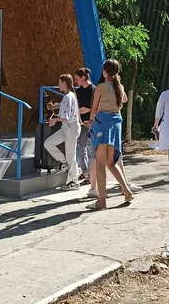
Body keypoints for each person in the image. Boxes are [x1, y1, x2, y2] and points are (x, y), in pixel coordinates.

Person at [87, 59, 134, 210]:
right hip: (116, 125)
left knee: (100, 163)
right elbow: (124, 99)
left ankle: (102, 201)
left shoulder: (101, 87)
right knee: (110, 162)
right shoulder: (119, 86)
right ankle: (127, 191)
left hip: (102, 124)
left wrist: (90, 122)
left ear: (105, 72)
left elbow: (94, 109)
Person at [45, 74, 81, 190]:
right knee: (48, 143)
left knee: (71, 155)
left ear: (65, 83)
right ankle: (65, 164)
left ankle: (74, 181)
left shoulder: (68, 97)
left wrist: (54, 120)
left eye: (59, 82)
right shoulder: (69, 96)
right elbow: (64, 107)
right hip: (67, 128)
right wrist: (54, 107)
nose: (58, 85)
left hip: (70, 128)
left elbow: (65, 117)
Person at [74, 68, 95, 185]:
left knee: (88, 148)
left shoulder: (92, 90)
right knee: (80, 146)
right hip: (83, 123)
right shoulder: (79, 91)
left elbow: (88, 108)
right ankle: (86, 171)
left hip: (91, 123)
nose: (75, 81)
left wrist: (74, 112)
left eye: (77, 79)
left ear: (83, 77)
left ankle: (90, 174)